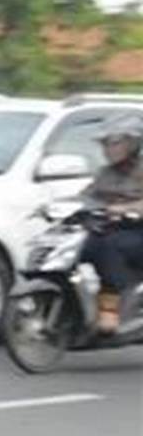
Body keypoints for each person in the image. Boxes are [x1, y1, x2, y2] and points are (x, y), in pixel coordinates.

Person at [79, 113, 143, 333]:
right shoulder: (105, 174)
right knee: (81, 245)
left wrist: (126, 209)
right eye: (104, 144)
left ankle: (113, 307)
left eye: (113, 143)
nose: (107, 149)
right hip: (112, 231)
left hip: (137, 234)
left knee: (109, 247)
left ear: (133, 142)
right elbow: (86, 197)